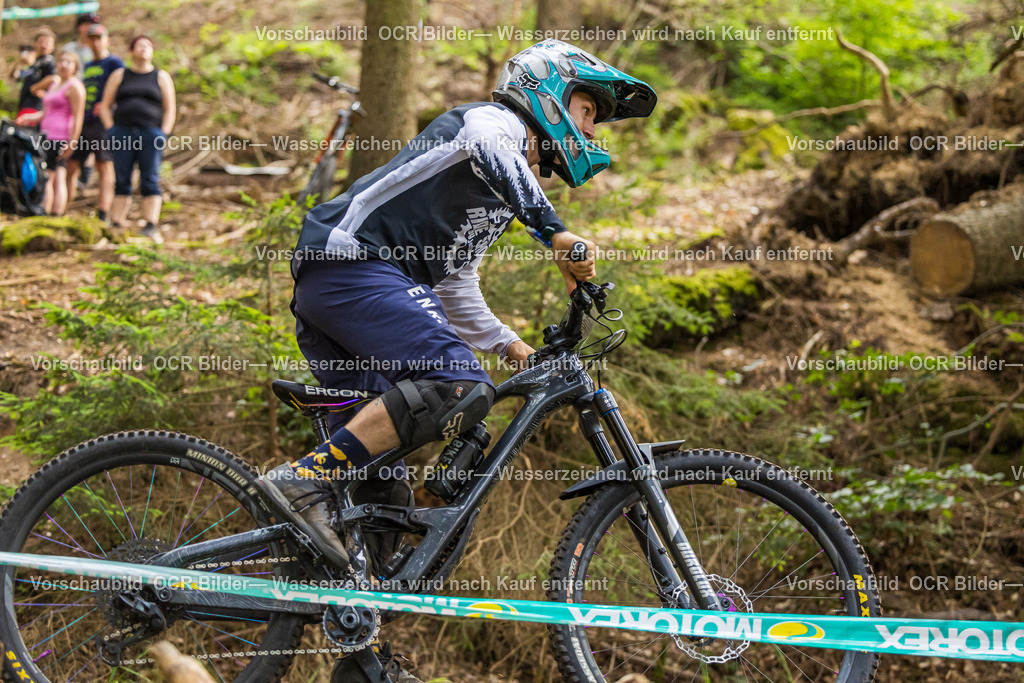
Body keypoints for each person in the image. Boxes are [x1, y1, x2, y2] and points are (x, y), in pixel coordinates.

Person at [258, 40, 656, 683]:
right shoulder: (492, 126)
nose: (590, 129)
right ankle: (301, 481)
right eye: (587, 111)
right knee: (453, 381)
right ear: (548, 97)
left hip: (358, 290)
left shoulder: (497, 195)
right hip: (349, 266)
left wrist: (511, 344)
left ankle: (359, 653)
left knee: (380, 494)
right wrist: (553, 232)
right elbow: (488, 148)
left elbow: (453, 284)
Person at [99, 35, 176, 241]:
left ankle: (151, 224)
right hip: (122, 132)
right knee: (122, 178)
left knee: (150, 178)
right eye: (139, 45)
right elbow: (105, 105)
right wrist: (111, 129)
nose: (143, 49)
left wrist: (163, 133)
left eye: (148, 46)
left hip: (150, 134)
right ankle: (116, 223)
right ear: (131, 51)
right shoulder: (120, 75)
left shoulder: (161, 77)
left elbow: (169, 108)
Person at [15, 50, 85, 215]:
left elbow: (78, 116)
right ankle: (47, 210)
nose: (64, 65)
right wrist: (29, 117)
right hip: (46, 134)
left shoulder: (75, 87)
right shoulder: (55, 84)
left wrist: (72, 142)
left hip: (61, 136)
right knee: (49, 174)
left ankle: (53, 212)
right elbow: (46, 112)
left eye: (69, 62)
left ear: (75, 67)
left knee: (54, 174)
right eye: (62, 61)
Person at [67, 24, 122, 223]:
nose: (96, 42)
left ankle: (102, 213)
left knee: (103, 166)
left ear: (107, 40)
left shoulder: (115, 63)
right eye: (92, 38)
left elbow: (124, 86)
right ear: (88, 41)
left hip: (102, 123)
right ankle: (63, 207)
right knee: (71, 164)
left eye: (100, 38)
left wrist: (110, 103)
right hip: (85, 121)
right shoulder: (88, 66)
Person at [14, 28, 56, 122]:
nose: (44, 45)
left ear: (52, 47)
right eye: (41, 41)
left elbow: (54, 79)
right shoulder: (35, 63)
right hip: (25, 105)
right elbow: (16, 77)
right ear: (35, 43)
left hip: (36, 108)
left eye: (47, 42)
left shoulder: (49, 62)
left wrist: (36, 88)